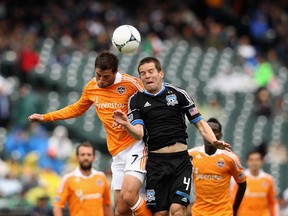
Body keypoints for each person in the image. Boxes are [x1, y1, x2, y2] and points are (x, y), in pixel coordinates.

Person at [28, 50, 152, 216]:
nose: (101, 80)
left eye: (105, 76)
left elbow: (152, 104)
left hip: (135, 146)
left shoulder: (131, 84)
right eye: (98, 75)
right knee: (121, 209)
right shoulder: (92, 87)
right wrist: (46, 117)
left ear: (116, 72)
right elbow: (76, 109)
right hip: (116, 151)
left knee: (129, 195)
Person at [112, 57, 231, 216]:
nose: (147, 76)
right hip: (155, 164)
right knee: (160, 213)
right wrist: (127, 124)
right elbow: (139, 133)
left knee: (177, 210)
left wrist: (214, 141)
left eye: (150, 71)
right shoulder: (136, 100)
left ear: (161, 73)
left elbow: (201, 124)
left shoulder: (179, 94)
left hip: (180, 162)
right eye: (142, 73)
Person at [187, 118, 247, 216]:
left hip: (223, 213)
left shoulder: (230, 158)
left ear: (220, 135)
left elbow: (242, 184)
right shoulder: (191, 155)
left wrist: (235, 209)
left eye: (215, 131)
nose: (211, 133)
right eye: (208, 130)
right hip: (198, 213)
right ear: (203, 133)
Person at [53, 142, 113, 216]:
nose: (86, 157)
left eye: (89, 154)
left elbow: (107, 204)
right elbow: (57, 205)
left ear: (94, 157)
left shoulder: (101, 177)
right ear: (77, 157)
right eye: (82, 154)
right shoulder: (68, 179)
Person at [231, 150, 279, 216]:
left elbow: (272, 203)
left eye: (257, 160)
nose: (254, 162)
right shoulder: (240, 179)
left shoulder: (268, 179)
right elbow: (233, 200)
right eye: (251, 160)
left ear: (262, 162)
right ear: (247, 162)